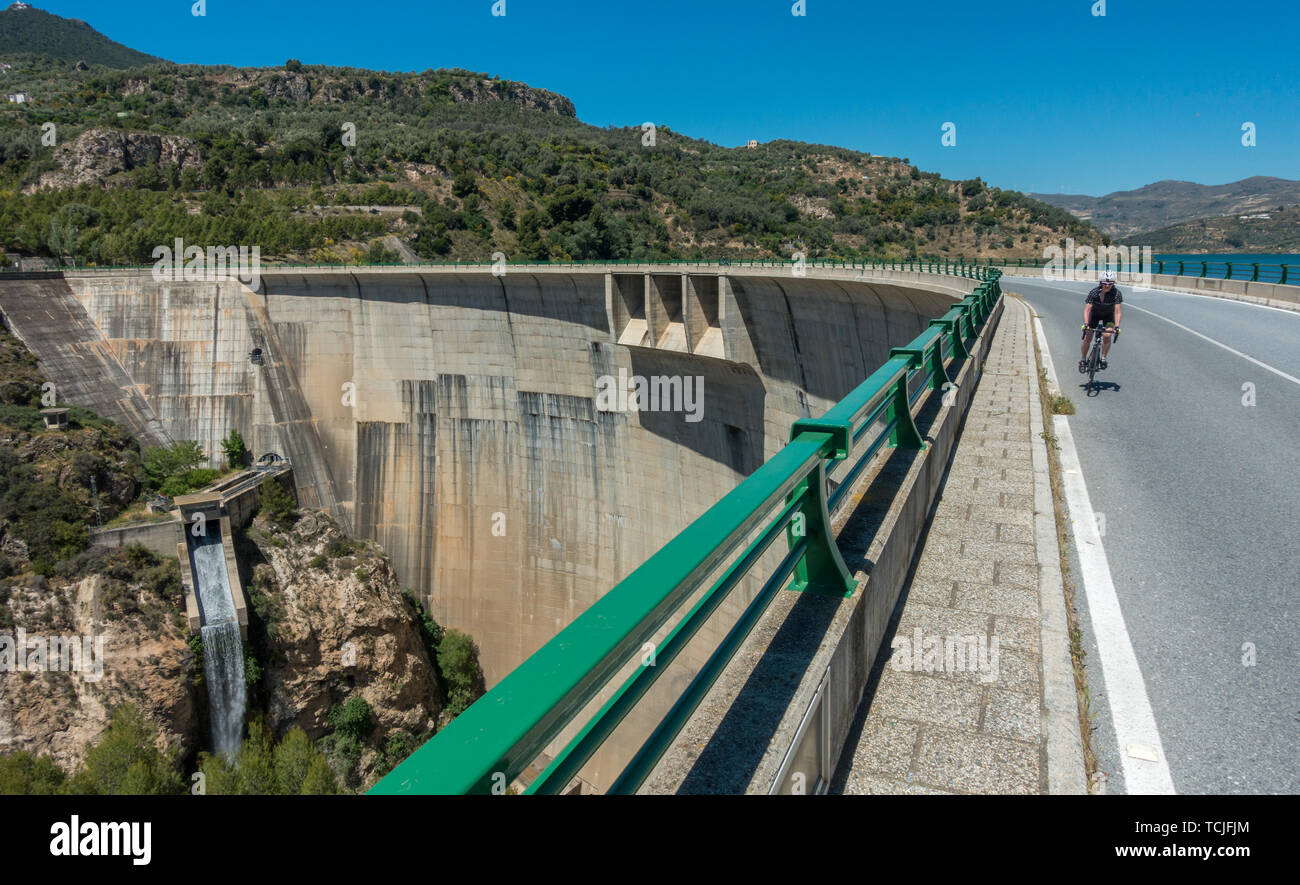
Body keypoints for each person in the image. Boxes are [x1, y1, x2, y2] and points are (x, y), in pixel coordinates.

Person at [1080, 271, 1123, 372]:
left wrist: (1117, 326)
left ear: (1113, 284)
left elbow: (1117, 312)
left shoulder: (1117, 293)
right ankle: (1083, 359)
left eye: (1110, 283)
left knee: (1107, 335)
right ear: (1100, 282)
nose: (1107, 285)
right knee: (1088, 336)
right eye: (1105, 283)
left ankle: (1103, 357)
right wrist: (1086, 324)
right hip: (1094, 315)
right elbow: (1087, 310)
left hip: (1108, 316)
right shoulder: (1094, 292)